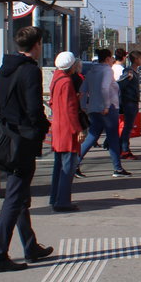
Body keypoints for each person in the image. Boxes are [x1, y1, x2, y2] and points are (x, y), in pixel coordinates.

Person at [0, 26, 54, 273]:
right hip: (23, 143)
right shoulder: (30, 71)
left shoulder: (5, 68)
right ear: (36, 45)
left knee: (20, 196)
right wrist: (37, 127)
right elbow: (35, 109)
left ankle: (30, 246)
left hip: (8, 141)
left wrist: (9, 123)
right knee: (14, 199)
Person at [79, 49, 131, 176]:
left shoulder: (91, 71)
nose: (113, 60)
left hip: (93, 108)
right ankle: (117, 168)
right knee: (113, 138)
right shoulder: (107, 70)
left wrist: (83, 105)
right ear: (107, 58)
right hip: (108, 109)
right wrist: (107, 106)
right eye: (111, 58)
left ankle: (75, 162)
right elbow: (104, 88)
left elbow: (83, 89)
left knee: (92, 136)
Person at [48, 52, 83, 212]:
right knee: (68, 167)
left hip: (58, 126)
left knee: (59, 165)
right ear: (71, 66)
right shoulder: (67, 82)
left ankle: (55, 197)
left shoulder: (56, 78)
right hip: (67, 128)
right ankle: (63, 201)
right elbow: (70, 109)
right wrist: (78, 129)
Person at [117, 50, 141, 160]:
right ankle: (124, 151)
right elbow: (119, 85)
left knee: (128, 127)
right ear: (136, 59)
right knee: (127, 128)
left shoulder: (134, 71)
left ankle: (123, 149)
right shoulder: (129, 72)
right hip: (129, 103)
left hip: (132, 102)